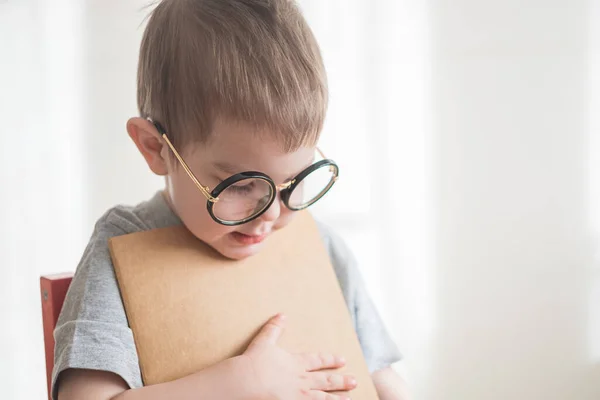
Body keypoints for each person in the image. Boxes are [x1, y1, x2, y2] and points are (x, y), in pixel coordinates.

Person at [54, 1, 409, 399]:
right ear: (156, 149)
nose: (272, 214)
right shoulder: (121, 246)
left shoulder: (321, 246)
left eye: (294, 182)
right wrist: (236, 387)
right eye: (241, 186)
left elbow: (382, 380)